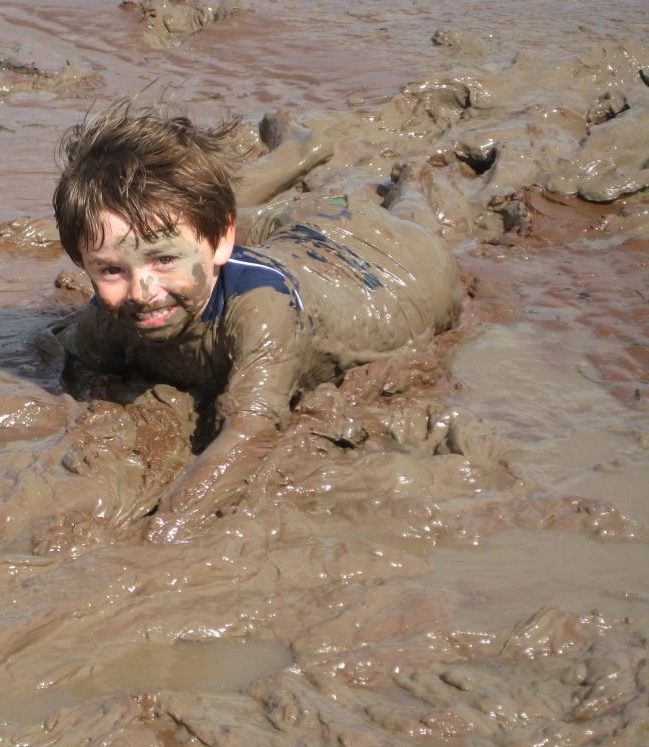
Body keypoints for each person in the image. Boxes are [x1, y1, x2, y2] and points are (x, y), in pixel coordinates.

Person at [52, 102, 461, 542]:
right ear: (84, 265)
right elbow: (79, 357)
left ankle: (411, 186)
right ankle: (301, 151)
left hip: (394, 266)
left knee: (407, 221)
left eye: (165, 261)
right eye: (111, 270)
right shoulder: (111, 310)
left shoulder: (263, 311)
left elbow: (252, 429)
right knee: (189, 212)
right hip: (301, 234)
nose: (142, 291)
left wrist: (165, 529)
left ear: (223, 243)